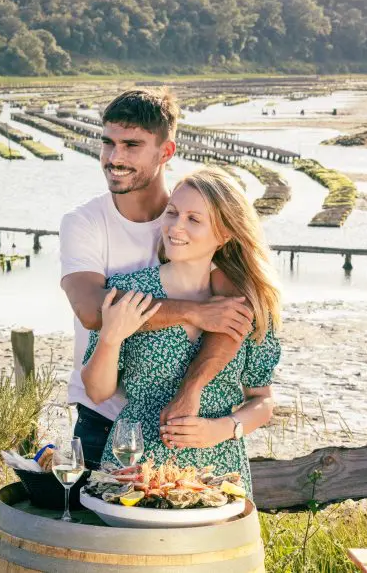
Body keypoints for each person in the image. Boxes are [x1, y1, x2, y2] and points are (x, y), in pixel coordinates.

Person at [60, 88, 255, 469]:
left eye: (131, 145)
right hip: (103, 416)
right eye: (108, 142)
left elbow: (233, 316)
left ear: (166, 152)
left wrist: (191, 389)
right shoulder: (83, 222)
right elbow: (91, 311)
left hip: (177, 420)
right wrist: (193, 311)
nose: (114, 158)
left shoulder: (192, 218)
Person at [81, 167, 281, 494]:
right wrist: (110, 338)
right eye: (172, 213)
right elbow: (97, 391)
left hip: (218, 477)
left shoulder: (252, 304)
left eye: (194, 219)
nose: (176, 227)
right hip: (134, 472)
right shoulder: (129, 290)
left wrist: (222, 429)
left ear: (225, 233)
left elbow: (263, 400)